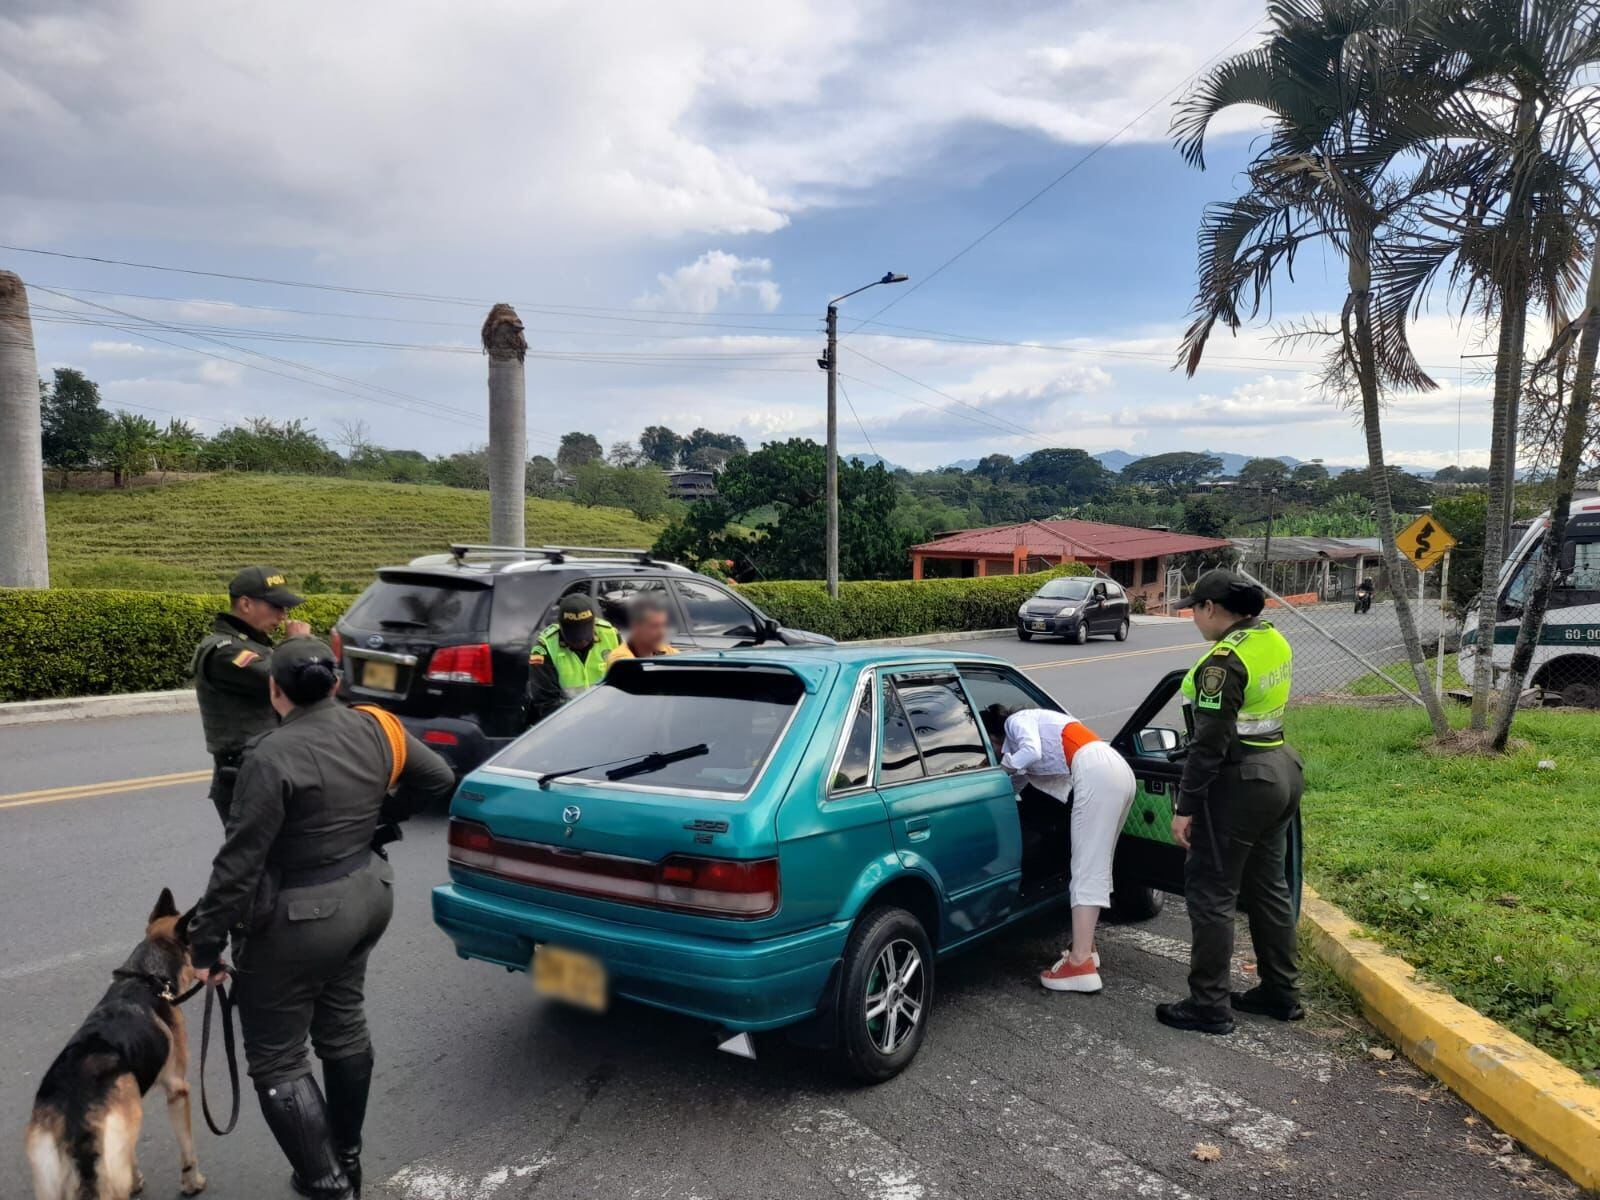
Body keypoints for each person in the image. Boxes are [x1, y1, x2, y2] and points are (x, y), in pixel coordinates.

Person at [188, 637, 455, 1198]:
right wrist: (381, 816)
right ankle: (346, 1161)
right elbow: (438, 777)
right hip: (368, 895)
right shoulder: (376, 726)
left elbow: (239, 865)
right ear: (335, 682)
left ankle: (328, 1183)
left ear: (274, 690)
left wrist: (204, 946)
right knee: (343, 1024)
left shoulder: (270, 755)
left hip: (301, 916)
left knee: (277, 1056)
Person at [1156, 569, 1303, 1035]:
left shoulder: (1223, 662)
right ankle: (1281, 993)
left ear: (1211, 608)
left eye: (1194, 609)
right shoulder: (1272, 639)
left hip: (1239, 783)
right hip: (1281, 770)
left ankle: (1209, 1005)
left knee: (1212, 893)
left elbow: (1208, 745)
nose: (1193, 618)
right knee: (1268, 888)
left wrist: (1185, 808)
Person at [992, 707, 1137, 994]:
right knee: (1098, 863)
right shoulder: (1042, 722)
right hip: (1116, 769)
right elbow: (1018, 782)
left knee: (1085, 867)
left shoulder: (1016, 721)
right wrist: (1004, 782)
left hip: (1095, 772)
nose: (997, 753)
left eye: (994, 747)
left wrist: (1000, 769)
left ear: (995, 736)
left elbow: (1030, 752)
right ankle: (1086, 948)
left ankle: (1080, 964)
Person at [192, 566, 312, 824]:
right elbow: (283, 678)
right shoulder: (225, 651)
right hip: (245, 778)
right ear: (246, 604)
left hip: (269, 769)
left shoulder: (255, 645)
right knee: (257, 850)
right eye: (276, 606)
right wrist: (297, 644)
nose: (283, 616)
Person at [527, 593, 620, 722]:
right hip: (565, 722)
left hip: (609, 716)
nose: (581, 641)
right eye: (574, 635)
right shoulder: (544, 648)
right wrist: (583, 719)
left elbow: (625, 684)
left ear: (594, 623)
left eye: (585, 633)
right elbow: (546, 703)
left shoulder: (611, 636)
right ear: (560, 625)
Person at [605, 592, 680, 665]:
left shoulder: (666, 651)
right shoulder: (620, 659)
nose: (662, 632)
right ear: (636, 627)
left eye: (663, 625)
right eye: (654, 626)